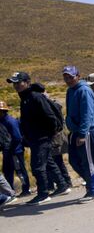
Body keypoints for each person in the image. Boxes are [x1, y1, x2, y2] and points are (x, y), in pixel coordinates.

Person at [7, 71, 69, 205]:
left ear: (27, 82)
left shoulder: (35, 97)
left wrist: (51, 133)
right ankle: (62, 185)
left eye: (19, 83)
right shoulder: (25, 97)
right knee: (48, 162)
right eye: (14, 83)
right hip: (35, 137)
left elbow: (49, 116)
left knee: (37, 166)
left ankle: (43, 193)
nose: (16, 86)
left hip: (41, 137)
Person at [63, 66, 94, 202]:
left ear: (78, 76)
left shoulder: (84, 90)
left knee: (88, 162)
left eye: (71, 77)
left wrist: (82, 134)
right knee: (74, 161)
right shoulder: (70, 91)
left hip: (86, 131)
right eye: (66, 77)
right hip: (74, 131)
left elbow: (87, 113)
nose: (68, 80)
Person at [0, 100, 30, 196]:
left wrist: (10, 149)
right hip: (7, 151)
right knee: (7, 172)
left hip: (15, 151)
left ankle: (26, 190)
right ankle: (10, 192)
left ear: (3, 111)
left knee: (20, 171)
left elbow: (17, 138)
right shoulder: (2, 121)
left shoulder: (10, 121)